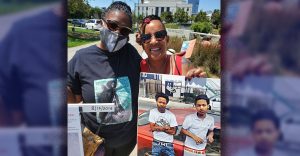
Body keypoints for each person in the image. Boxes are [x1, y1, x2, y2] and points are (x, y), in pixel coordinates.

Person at [67, 1, 141, 156]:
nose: (117, 33)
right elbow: (73, 98)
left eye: (124, 31)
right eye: (113, 26)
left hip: (126, 143)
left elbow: (154, 72)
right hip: (95, 144)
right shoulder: (82, 58)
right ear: (102, 22)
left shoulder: (132, 55)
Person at [136, 15, 206, 79]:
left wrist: (199, 78)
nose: (154, 41)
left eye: (159, 35)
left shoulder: (183, 65)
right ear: (143, 44)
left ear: (167, 39)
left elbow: (198, 90)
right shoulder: (138, 68)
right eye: (146, 37)